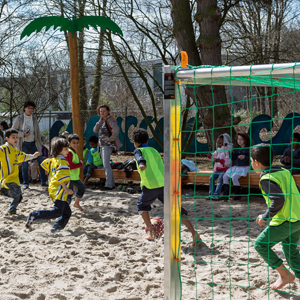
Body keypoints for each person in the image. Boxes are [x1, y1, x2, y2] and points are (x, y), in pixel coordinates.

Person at [133, 128, 201, 243]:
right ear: (147, 141)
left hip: (150, 186)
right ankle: (194, 233)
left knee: (141, 206)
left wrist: (141, 164)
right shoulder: (154, 150)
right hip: (165, 184)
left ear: (134, 142)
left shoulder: (138, 150)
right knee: (177, 209)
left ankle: (151, 232)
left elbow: (139, 157)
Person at [251, 143, 300, 290]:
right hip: (298, 218)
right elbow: (297, 190)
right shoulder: (284, 171)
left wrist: (265, 216)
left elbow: (279, 199)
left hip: (285, 220)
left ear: (256, 162)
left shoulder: (266, 178)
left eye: (251, 161)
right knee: (289, 247)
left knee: (260, 245)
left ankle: (285, 275)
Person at [25, 137, 73, 232]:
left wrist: (48, 170)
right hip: (60, 190)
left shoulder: (52, 160)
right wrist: (66, 189)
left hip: (52, 189)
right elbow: (61, 177)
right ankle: (35, 215)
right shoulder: (63, 161)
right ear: (59, 150)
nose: (68, 151)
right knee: (57, 212)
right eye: (66, 149)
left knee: (67, 212)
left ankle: (56, 227)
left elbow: (44, 164)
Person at [0, 128, 39, 214]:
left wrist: (33, 156)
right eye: (13, 137)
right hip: (7, 179)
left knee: (19, 196)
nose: (16, 139)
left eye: (16, 137)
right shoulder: (3, 149)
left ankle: (12, 210)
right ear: (7, 138)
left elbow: (23, 156)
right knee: (17, 193)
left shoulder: (15, 150)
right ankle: (2, 190)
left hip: (15, 178)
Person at [12, 101, 48, 189]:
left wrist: (39, 143)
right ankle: (25, 183)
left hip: (34, 143)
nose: (30, 110)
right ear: (25, 108)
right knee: (24, 163)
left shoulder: (34, 118)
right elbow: (13, 131)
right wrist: (23, 134)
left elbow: (38, 132)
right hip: (23, 143)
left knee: (41, 161)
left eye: (32, 108)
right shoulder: (19, 118)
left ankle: (43, 181)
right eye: (29, 108)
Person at [93, 105, 122, 190]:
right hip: (101, 145)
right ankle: (111, 183)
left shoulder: (110, 120)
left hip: (107, 145)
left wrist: (110, 139)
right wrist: (99, 121)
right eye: (101, 111)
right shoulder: (102, 120)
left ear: (108, 111)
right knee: (106, 165)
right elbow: (95, 130)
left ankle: (108, 185)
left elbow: (116, 130)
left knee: (106, 165)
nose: (102, 113)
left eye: (104, 111)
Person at [222, 132, 250, 200]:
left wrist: (245, 157)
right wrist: (231, 152)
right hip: (236, 167)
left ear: (245, 140)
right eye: (238, 139)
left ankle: (237, 195)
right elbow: (234, 158)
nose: (239, 141)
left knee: (234, 177)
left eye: (241, 139)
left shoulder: (249, 149)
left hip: (244, 167)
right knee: (225, 176)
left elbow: (252, 160)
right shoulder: (237, 148)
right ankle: (226, 194)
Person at [207, 134, 231, 200]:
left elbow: (229, 161)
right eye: (218, 143)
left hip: (224, 170)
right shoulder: (217, 151)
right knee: (211, 178)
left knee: (220, 180)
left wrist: (221, 161)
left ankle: (216, 194)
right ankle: (211, 193)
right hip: (217, 170)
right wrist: (210, 156)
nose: (219, 144)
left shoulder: (227, 151)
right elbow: (213, 157)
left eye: (220, 143)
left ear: (225, 142)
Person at [66, 134, 85, 211]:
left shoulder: (73, 152)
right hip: (69, 177)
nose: (76, 144)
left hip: (74, 177)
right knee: (69, 194)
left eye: (77, 142)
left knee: (82, 187)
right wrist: (80, 164)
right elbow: (70, 166)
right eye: (73, 142)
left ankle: (76, 203)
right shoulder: (69, 152)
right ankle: (65, 209)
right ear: (69, 143)